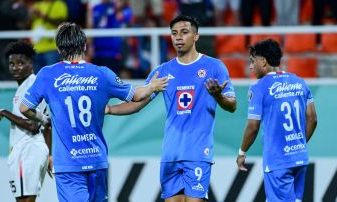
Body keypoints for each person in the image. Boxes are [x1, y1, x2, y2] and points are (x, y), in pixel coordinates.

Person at [19, 22, 168, 202]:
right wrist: (152, 87)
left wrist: (43, 119)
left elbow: (24, 108)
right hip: (96, 159)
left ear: (58, 49)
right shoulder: (101, 73)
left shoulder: (47, 74)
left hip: (68, 163)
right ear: (84, 45)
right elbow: (136, 96)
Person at [106, 15, 237, 202]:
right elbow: (138, 103)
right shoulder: (163, 71)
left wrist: (218, 96)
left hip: (198, 153)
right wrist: (110, 110)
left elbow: (232, 106)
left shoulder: (214, 67)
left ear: (196, 36)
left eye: (184, 32)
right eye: (174, 33)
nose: (178, 37)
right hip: (171, 154)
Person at [236, 39, 318, 202]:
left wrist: (242, 152)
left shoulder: (258, 87)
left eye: (253, 62)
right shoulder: (300, 82)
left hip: (278, 161)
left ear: (263, 61)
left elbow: (253, 126)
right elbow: (313, 118)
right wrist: (300, 143)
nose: (251, 67)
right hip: (300, 156)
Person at [0, 40, 51, 202]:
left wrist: (4, 113)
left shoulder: (32, 86)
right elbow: (48, 124)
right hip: (25, 150)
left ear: (31, 63)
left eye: (21, 63)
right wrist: (49, 154)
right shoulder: (24, 87)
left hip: (29, 149)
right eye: (12, 63)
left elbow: (32, 126)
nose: (15, 67)